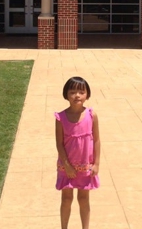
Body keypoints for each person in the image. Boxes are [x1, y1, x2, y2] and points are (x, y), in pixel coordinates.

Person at [55, 76, 101, 229]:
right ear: (66, 95)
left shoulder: (91, 115)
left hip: (85, 166)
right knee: (66, 198)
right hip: (66, 166)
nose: (77, 95)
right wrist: (66, 165)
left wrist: (96, 164)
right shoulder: (60, 118)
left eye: (81, 92)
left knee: (83, 198)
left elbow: (96, 140)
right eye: (73, 92)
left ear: (87, 95)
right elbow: (59, 144)